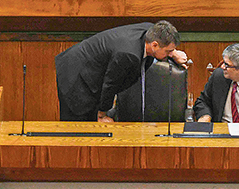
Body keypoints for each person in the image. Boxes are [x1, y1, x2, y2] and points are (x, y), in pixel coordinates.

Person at [55, 20, 189, 122]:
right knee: (79, 129)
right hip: (76, 77)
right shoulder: (128, 55)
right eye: (168, 51)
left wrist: (173, 53)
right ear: (154, 45)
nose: (169, 53)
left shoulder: (151, 30)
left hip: (91, 69)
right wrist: (102, 115)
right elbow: (110, 85)